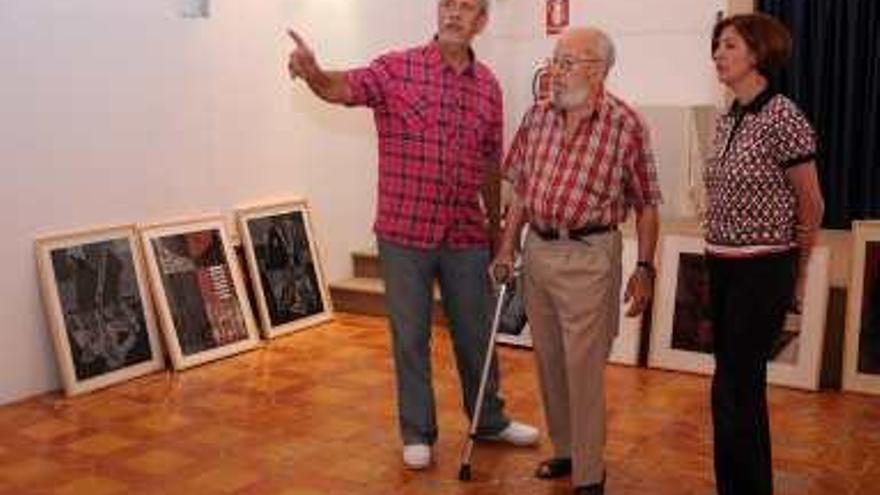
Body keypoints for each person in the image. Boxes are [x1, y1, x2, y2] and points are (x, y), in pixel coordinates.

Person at [286, 0, 538, 470]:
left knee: (476, 333)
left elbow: (489, 162)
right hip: (404, 232)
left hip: (464, 232)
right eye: (448, 4)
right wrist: (314, 73)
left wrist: (496, 230)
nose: (454, 13)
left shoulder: (489, 87)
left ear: (481, 21)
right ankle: (417, 431)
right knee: (410, 336)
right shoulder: (396, 68)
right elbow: (344, 87)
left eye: (467, 8)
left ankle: (489, 419)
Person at [492, 27, 661, 495]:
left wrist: (645, 269)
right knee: (548, 361)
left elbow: (648, 204)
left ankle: (590, 473)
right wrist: (508, 246)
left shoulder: (626, 124)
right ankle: (565, 450)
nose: (555, 71)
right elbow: (522, 190)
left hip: (590, 255)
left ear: (599, 70)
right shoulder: (536, 117)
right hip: (539, 251)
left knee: (583, 367)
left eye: (568, 62)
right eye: (555, 60)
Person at [705, 13, 824, 495]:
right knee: (734, 386)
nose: (718, 54)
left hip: (763, 267)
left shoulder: (784, 115)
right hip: (722, 264)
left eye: (729, 45)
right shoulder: (729, 116)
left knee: (735, 387)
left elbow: (811, 202)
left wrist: (798, 271)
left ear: (757, 53)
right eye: (717, 45)